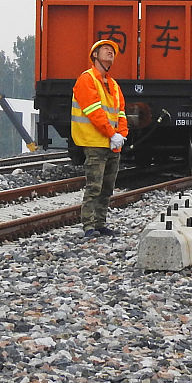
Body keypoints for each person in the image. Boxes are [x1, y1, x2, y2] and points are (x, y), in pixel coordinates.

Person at [71, 39, 128, 238]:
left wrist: (121, 134)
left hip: (112, 144)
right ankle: (88, 226)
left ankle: (100, 223)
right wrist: (112, 134)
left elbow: (120, 113)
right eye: (105, 49)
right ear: (94, 55)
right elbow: (94, 112)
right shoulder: (86, 80)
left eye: (112, 51)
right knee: (94, 186)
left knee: (107, 187)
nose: (110, 52)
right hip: (94, 142)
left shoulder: (113, 84)